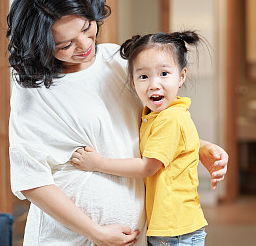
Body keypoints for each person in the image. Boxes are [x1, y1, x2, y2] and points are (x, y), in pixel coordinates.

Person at [6, 1, 228, 246]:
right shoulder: (32, 89)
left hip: (135, 238)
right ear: (40, 45)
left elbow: (148, 125)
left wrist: (198, 146)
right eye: (65, 44)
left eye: (86, 27)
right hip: (67, 239)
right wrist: (95, 232)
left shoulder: (118, 60)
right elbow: (31, 180)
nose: (84, 45)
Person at [71, 31, 210, 246]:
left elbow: (147, 167)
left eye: (164, 73)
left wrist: (97, 163)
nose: (154, 84)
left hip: (177, 231)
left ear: (182, 76)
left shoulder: (170, 119)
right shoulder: (152, 116)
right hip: (169, 228)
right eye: (143, 76)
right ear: (133, 82)